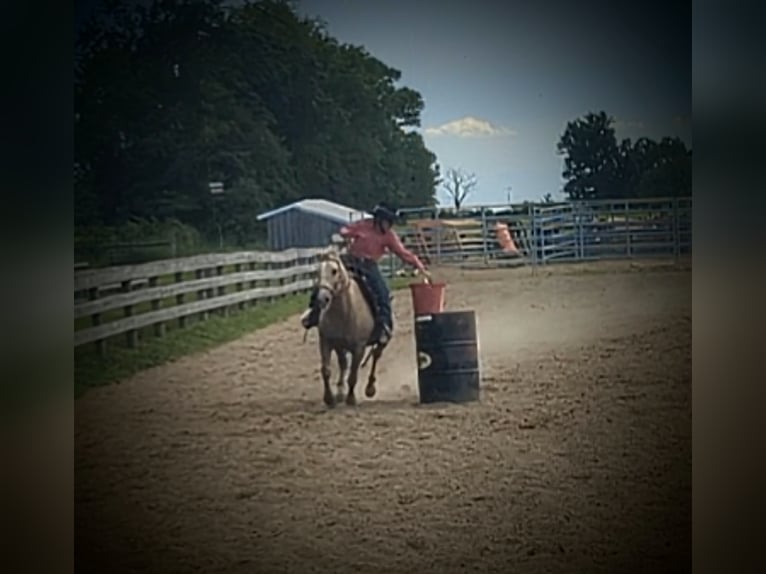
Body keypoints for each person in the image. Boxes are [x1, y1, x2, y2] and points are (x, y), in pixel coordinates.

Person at [300, 202, 430, 346]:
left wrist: (418, 264)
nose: (389, 225)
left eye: (391, 222)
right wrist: (344, 232)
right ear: (379, 220)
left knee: (383, 293)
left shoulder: (389, 236)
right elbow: (346, 229)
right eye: (388, 221)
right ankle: (313, 312)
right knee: (326, 280)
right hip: (351, 261)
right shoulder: (363, 225)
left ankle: (384, 326)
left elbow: (402, 253)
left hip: (369, 266)